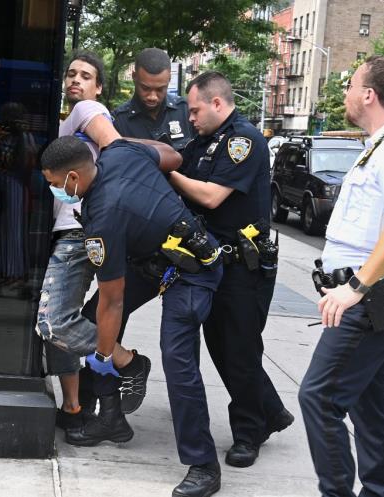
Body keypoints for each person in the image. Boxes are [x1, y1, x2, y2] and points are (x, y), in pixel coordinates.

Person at [41, 135, 223, 497]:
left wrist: (106, 358)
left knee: (177, 358)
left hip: (191, 271)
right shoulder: (121, 150)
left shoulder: (102, 219)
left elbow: (114, 300)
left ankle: (204, 465)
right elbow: (172, 157)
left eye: (53, 184)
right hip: (155, 262)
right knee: (94, 321)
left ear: (73, 179)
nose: (52, 190)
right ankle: (111, 418)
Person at [297, 56, 384, 497]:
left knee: (319, 398)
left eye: (350, 85)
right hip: (371, 294)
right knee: (369, 403)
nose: (346, 94)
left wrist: (356, 287)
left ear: (369, 95)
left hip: (371, 295)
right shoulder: (379, 145)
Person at [168, 71, 293, 468]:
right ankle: (272, 410)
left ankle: (249, 432)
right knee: (224, 347)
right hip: (215, 263)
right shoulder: (204, 142)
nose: (191, 117)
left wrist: (166, 172)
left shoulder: (244, 141)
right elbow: (177, 159)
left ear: (217, 103)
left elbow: (211, 195)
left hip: (244, 267)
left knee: (239, 349)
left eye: (196, 109)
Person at [36, 51, 153, 435]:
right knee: (61, 322)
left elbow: (117, 150)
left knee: (52, 323)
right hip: (69, 230)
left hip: (79, 232)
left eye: (86, 75)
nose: (76, 81)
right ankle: (73, 406)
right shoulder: (72, 121)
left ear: (99, 87)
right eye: (70, 73)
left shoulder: (88, 109)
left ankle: (127, 360)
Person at [113, 48, 193, 151]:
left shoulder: (186, 110)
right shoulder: (119, 121)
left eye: (160, 89)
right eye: (145, 88)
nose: (152, 97)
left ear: (169, 79)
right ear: (134, 77)